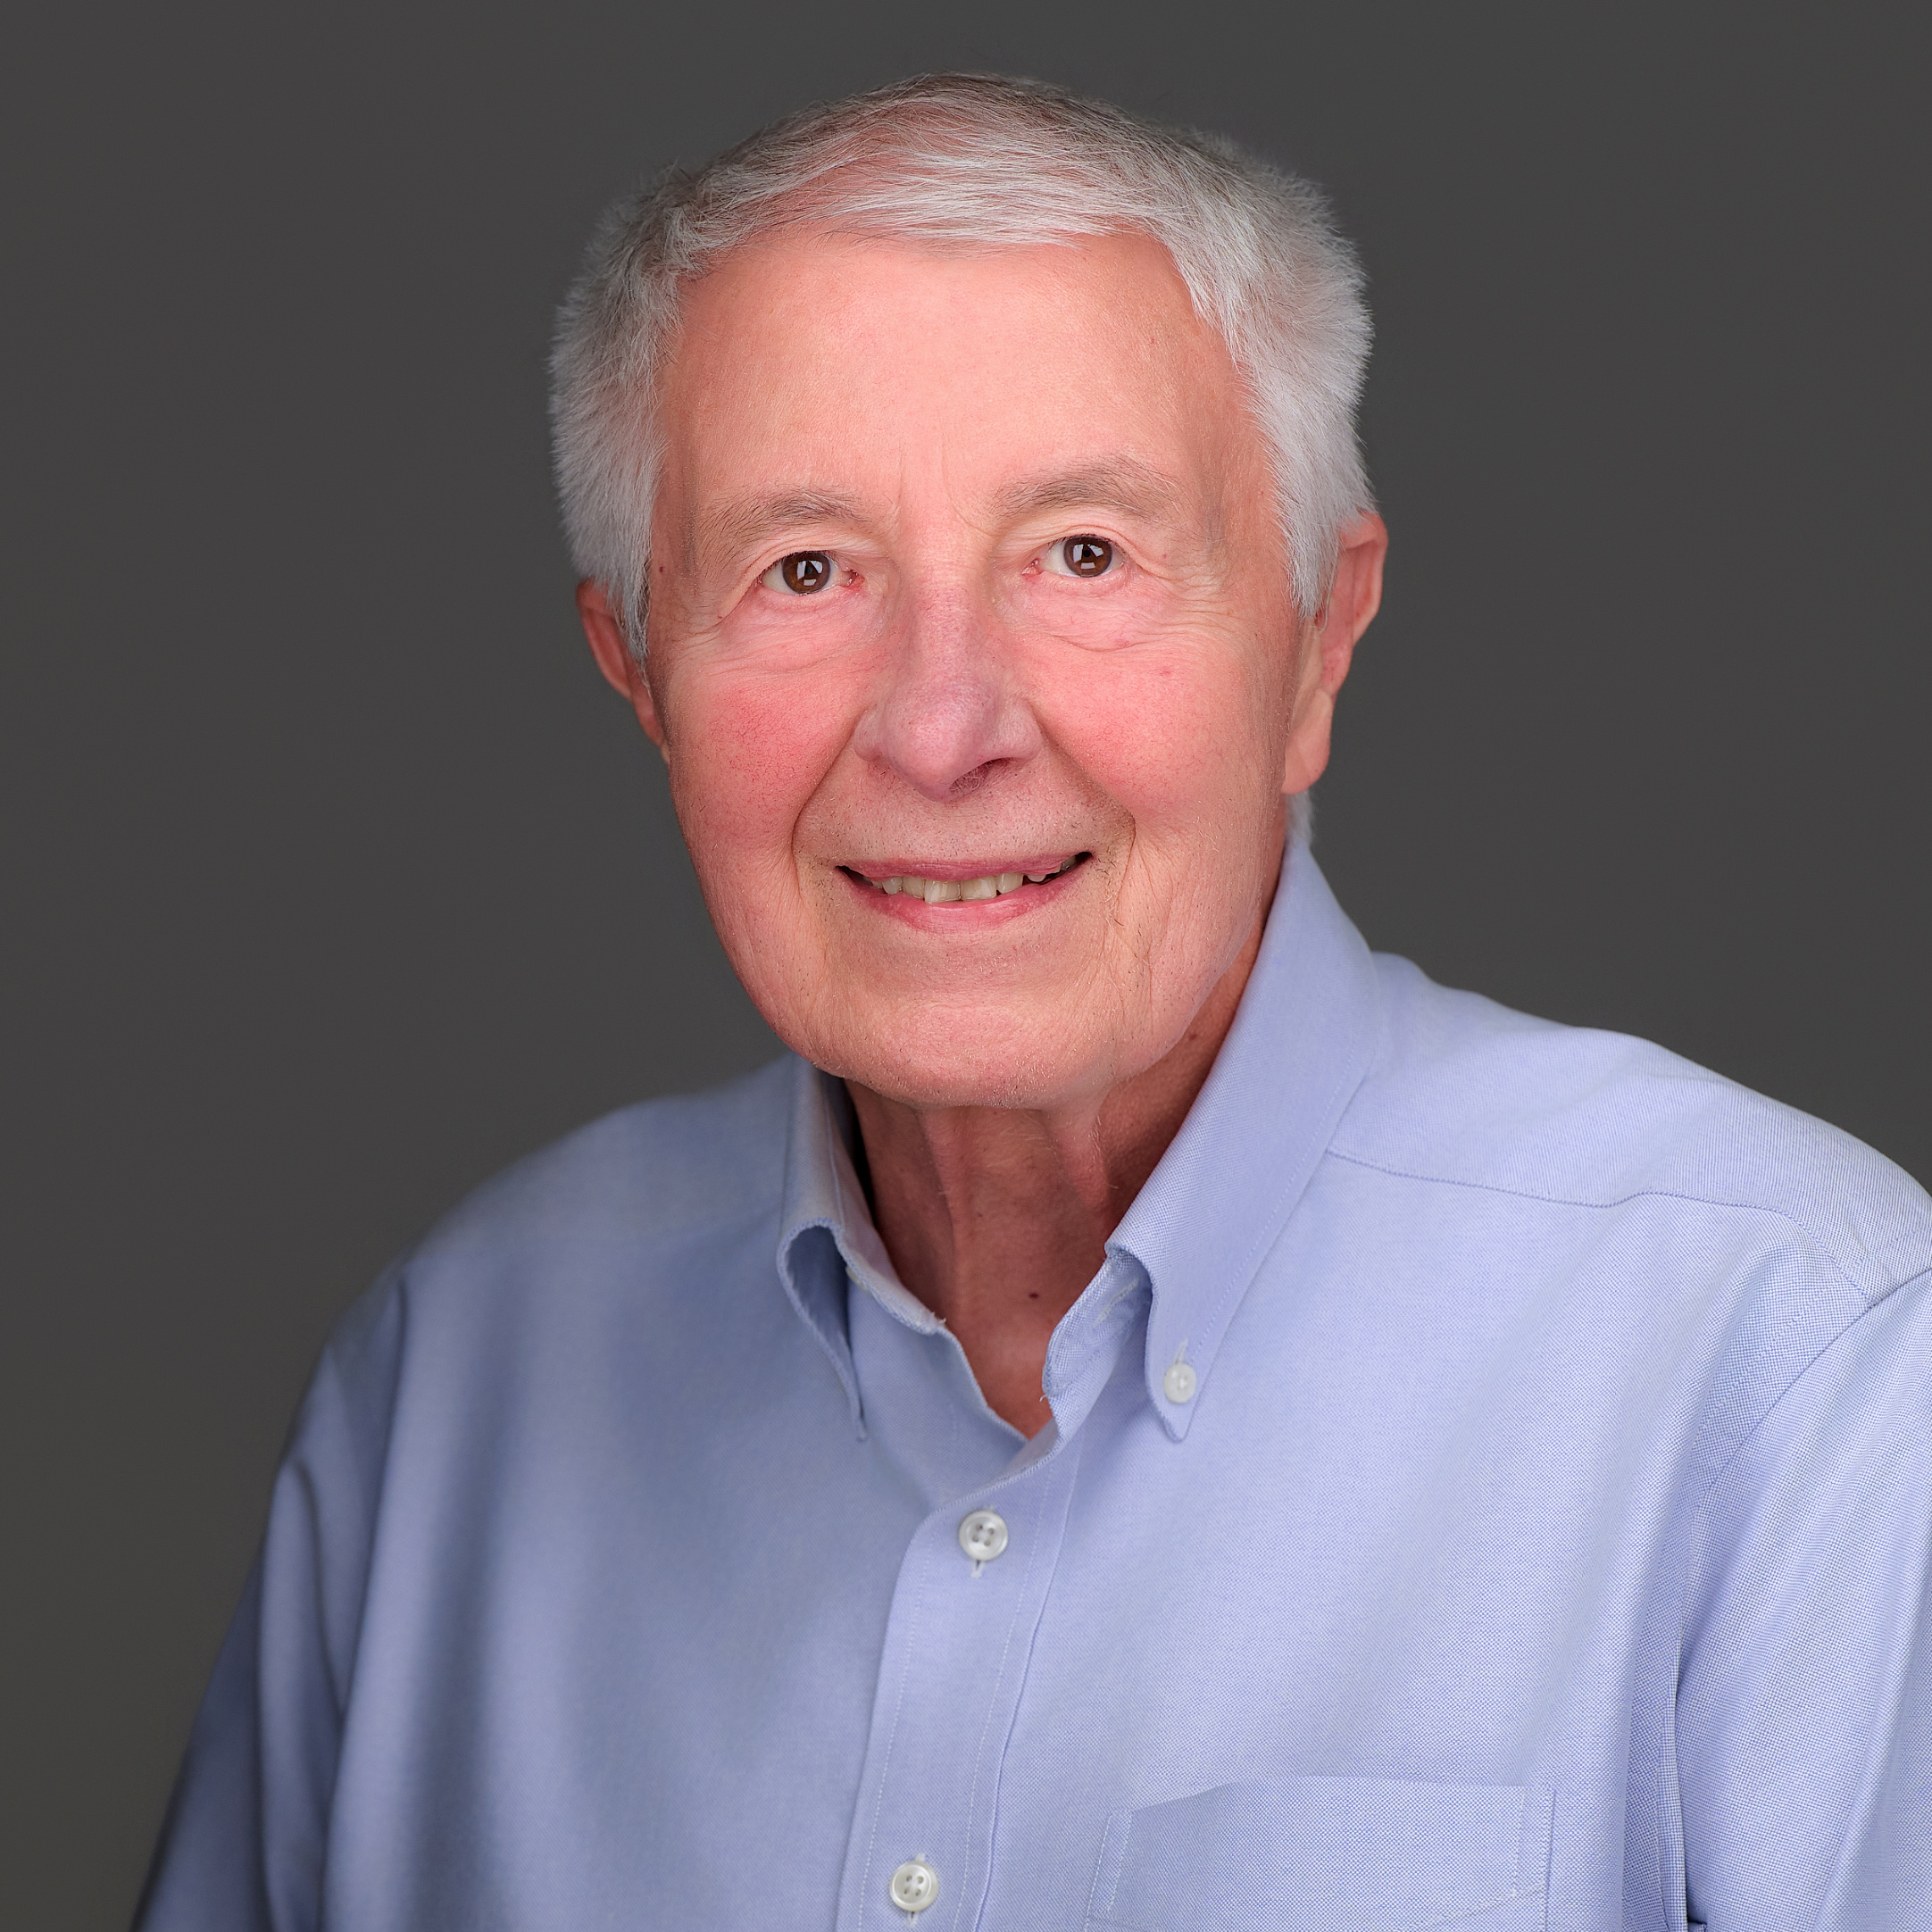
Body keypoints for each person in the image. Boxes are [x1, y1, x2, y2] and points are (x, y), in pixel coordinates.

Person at [137, 73, 1930, 1932]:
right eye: (804, 568)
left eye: (1083, 553)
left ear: (1317, 634)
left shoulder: (1798, 1376)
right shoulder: (448, 1395)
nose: (940, 724)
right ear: (638, 665)